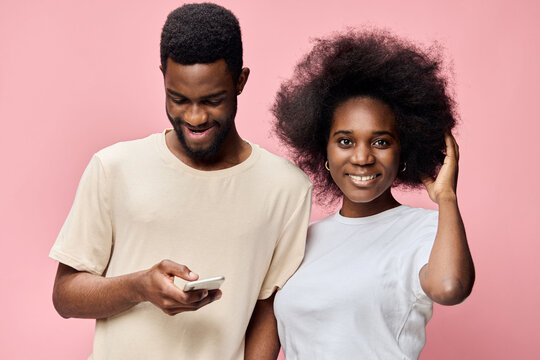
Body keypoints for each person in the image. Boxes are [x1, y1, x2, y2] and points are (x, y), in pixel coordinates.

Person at [50, 3, 311, 359]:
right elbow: (65, 297)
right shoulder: (114, 167)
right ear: (163, 77)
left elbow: (267, 310)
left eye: (212, 100)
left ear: (240, 81)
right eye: (178, 99)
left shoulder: (287, 187)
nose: (195, 117)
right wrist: (139, 287)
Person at [272, 30, 475, 359]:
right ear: (322, 149)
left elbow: (449, 287)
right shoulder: (304, 239)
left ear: (403, 150)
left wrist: (447, 198)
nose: (362, 157)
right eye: (345, 141)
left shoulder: (426, 229)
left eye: (380, 141)